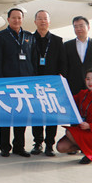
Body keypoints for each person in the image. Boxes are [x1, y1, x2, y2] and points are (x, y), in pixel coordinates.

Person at [0, 8, 35, 157]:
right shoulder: (1, 37)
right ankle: (4, 147)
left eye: (19, 18)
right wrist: (0, 82)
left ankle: (19, 146)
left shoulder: (29, 37)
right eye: (13, 18)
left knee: (21, 116)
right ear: (8, 19)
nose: (16, 20)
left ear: (22, 19)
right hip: (6, 83)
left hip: (24, 84)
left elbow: (33, 59)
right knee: (5, 116)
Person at [30, 10, 67, 157]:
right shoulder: (29, 39)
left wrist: (60, 80)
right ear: (35, 22)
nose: (42, 21)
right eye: (39, 18)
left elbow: (63, 63)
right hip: (34, 84)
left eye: (45, 18)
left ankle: (49, 145)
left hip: (52, 86)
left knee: (52, 116)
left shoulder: (57, 41)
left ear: (49, 22)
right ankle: (37, 143)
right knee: (36, 115)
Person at [57, 68, 92, 164]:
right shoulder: (83, 94)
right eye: (88, 79)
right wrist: (61, 84)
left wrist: (90, 126)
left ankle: (91, 153)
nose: (90, 82)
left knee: (69, 132)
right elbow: (68, 100)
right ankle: (88, 149)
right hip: (83, 130)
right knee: (61, 147)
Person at [64, 16, 92, 96]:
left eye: (81, 26)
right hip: (73, 85)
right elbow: (65, 66)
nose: (78, 29)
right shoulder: (67, 45)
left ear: (88, 27)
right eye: (76, 27)